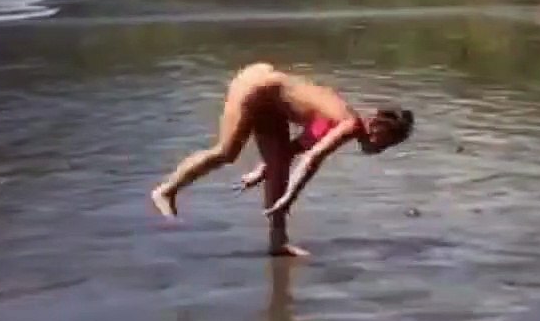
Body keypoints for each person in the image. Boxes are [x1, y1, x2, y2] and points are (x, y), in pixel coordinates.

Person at [149, 62, 414, 256]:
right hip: (256, 86)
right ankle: (166, 191)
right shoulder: (349, 124)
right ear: (377, 126)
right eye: (386, 142)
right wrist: (289, 198)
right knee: (227, 152)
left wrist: (263, 169)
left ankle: (278, 241)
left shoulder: (339, 121)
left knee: (279, 165)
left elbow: (297, 147)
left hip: (273, 103)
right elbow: (313, 159)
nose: (382, 149)